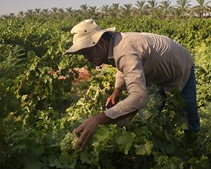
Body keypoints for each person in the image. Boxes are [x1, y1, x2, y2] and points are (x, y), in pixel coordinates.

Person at [65, 19, 200, 149]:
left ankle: (195, 150)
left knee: (188, 115)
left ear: (99, 42)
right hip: (154, 72)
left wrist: (98, 119)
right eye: (83, 54)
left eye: (87, 52)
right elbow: (123, 66)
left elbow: (139, 97)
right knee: (147, 119)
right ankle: (153, 143)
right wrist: (117, 90)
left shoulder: (125, 50)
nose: (86, 58)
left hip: (181, 66)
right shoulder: (115, 44)